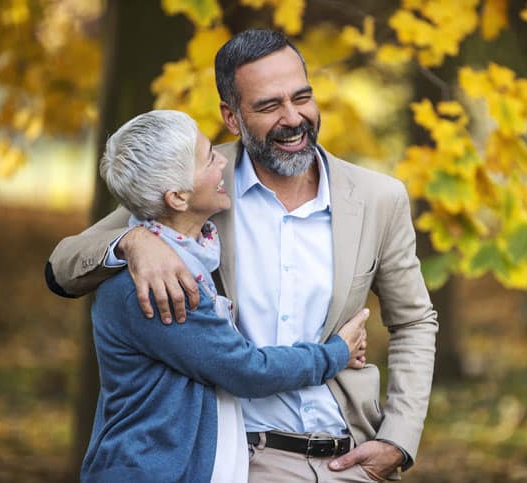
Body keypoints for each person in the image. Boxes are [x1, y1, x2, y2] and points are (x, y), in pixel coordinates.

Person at [46, 29, 438, 482]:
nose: (294, 118)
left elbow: (414, 321)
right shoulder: (201, 185)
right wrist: (131, 243)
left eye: (302, 98)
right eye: (270, 106)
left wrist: (398, 439)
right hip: (245, 461)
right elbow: (62, 264)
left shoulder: (378, 197)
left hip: (351, 459)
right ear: (231, 116)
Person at [81, 109, 369, 483]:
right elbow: (246, 369)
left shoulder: (189, 256)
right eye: (208, 159)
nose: (222, 162)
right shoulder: (159, 288)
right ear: (178, 197)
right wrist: (337, 353)